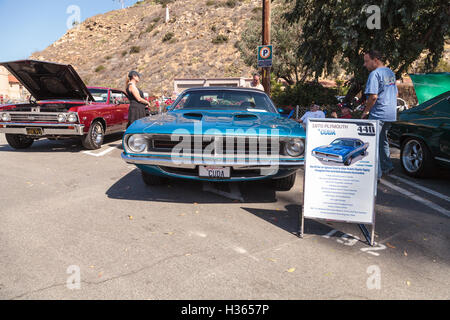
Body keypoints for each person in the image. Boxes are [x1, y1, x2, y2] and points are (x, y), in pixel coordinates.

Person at [362, 50, 398, 180]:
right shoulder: (390, 72)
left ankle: (376, 176)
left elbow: (373, 97)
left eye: (367, 61)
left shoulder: (375, 74)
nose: (365, 65)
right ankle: (387, 166)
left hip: (378, 114)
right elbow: (396, 94)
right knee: (383, 141)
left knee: (373, 143)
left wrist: (366, 111)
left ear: (375, 60)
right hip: (390, 113)